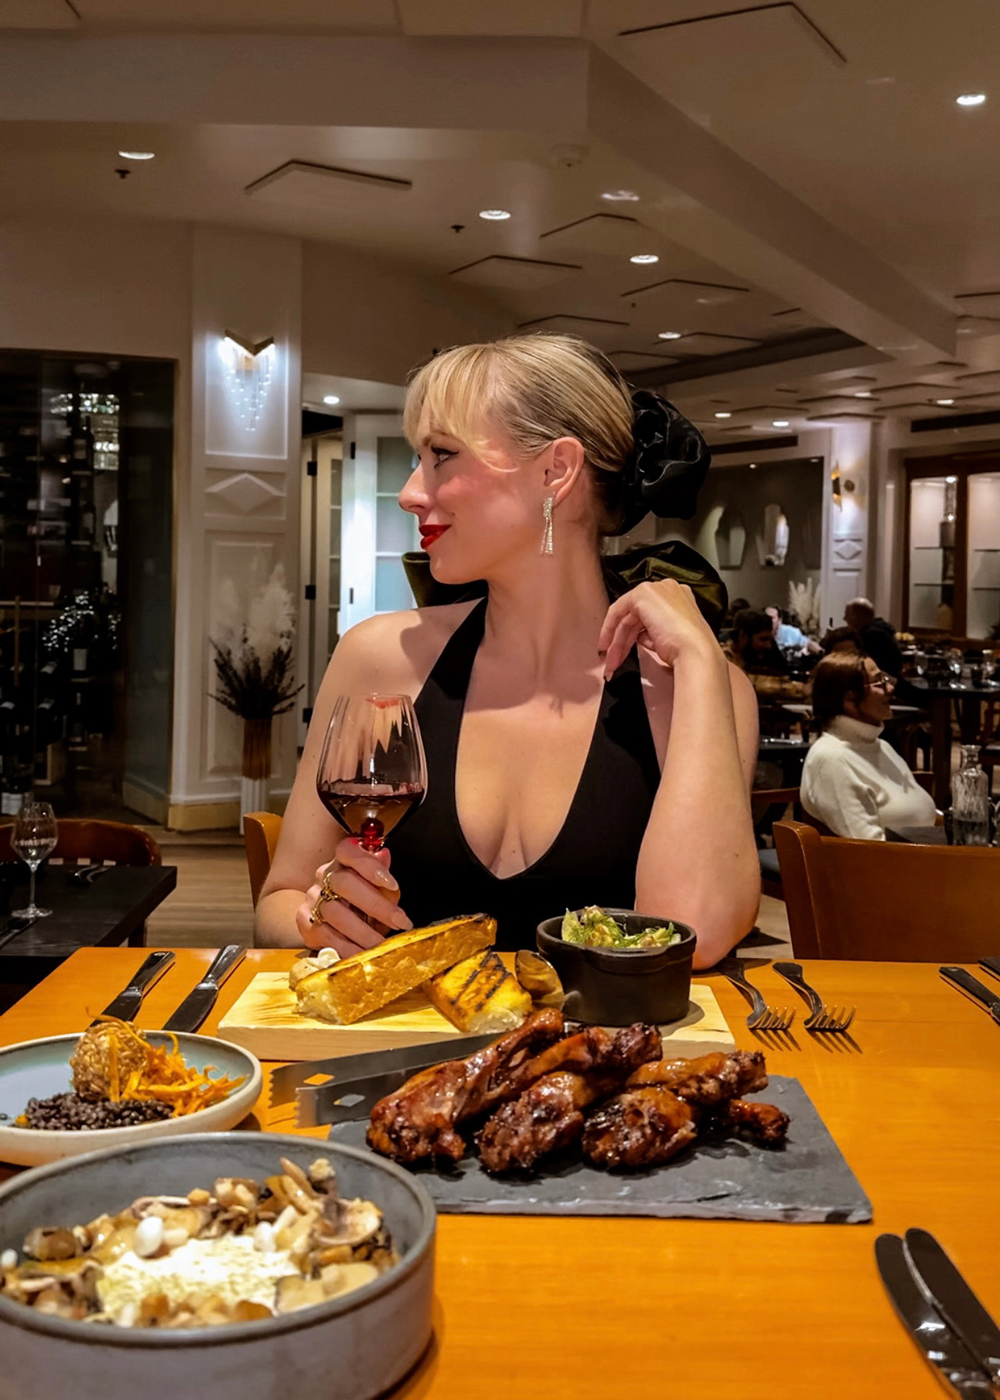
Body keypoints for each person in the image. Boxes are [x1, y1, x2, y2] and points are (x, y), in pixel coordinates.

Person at [255, 333, 760, 970]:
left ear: (556, 470)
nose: (411, 491)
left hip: (598, 1064)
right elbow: (277, 903)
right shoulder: (379, 658)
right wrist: (315, 916)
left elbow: (697, 935)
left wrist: (701, 664)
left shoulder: (695, 690)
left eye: (442, 455)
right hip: (402, 1064)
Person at [799, 651, 936, 839]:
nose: (890, 689)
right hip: (893, 866)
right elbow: (867, 848)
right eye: (879, 683)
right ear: (849, 700)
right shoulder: (831, 759)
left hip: (925, 857)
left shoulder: (881, 746)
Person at [843, 597, 903, 680]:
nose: (845, 618)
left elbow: (862, 666)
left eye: (847, 614)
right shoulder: (880, 629)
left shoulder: (871, 635)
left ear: (858, 616)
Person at [723, 609, 788, 674]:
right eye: (763, 639)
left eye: (770, 640)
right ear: (743, 636)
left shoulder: (765, 654)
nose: (769, 646)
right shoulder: (724, 659)